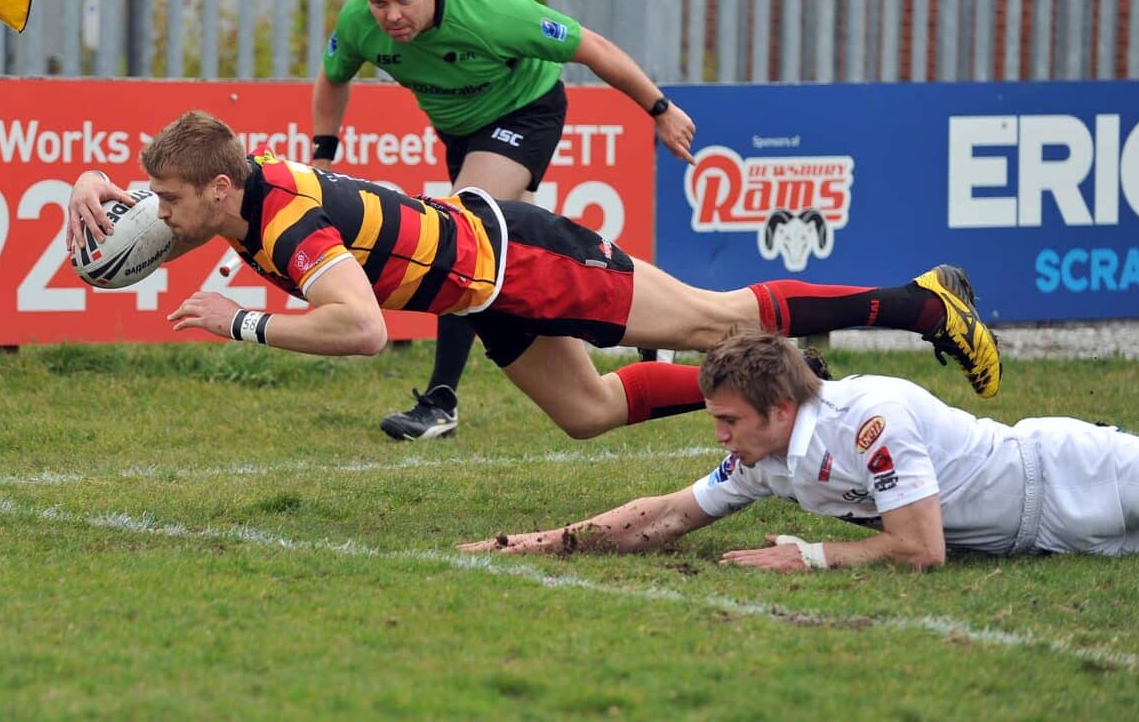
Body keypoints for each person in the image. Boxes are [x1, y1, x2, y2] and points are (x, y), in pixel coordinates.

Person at [67, 110, 1002, 445]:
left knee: (719, 321)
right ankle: (821, 391)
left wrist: (242, 325)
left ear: (220, 188)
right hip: (482, 289)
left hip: (527, 258)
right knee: (588, 412)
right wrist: (92, 185)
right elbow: (179, 201)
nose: (164, 217)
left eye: (167, 200)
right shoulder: (237, 185)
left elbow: (361, 330)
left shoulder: (286, 222)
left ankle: (920, 303)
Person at [311, 0, 697, 441]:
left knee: (460, 237)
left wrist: (661, 111)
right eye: (379, 2)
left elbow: (594, 49)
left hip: (526, 111)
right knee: (527, 264)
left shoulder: (493, 13)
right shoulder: (359, 21)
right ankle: (654, 327)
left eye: (404, 0)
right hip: (461, 133)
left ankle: (440, 401)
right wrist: (321, 157)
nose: (391, 16)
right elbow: (332, 78)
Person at [462, 330, 1138, 569]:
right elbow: (666, 515)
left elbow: (921, 548)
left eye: (728, 419)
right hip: (1043, 537)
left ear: (780, 407)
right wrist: (538, 541)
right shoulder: (769, 454)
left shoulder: (870, 421)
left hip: (1076, 471)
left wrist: (812, 556)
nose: (718, 435)